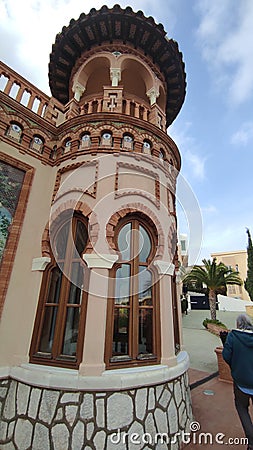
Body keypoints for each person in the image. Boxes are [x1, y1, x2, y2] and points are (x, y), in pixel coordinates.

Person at [222, 314, 253, 450]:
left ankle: (251, 442)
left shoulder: (233, 336)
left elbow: (226, 356)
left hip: (241, 381)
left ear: (238, 324)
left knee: (242, 408)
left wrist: (236, 365)